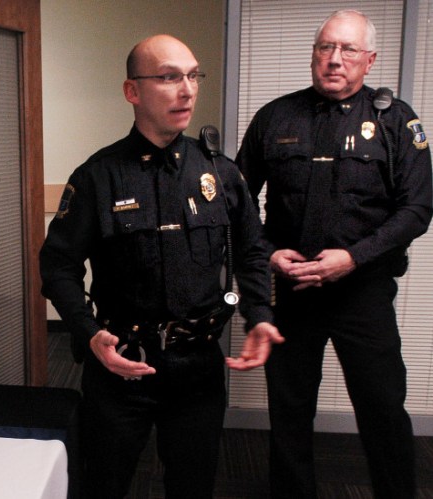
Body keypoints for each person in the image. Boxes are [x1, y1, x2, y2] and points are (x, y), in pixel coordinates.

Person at [40, 34, 283, 498]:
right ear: (133, 91)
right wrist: (88, 332)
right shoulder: (99, 176)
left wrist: (261, 315)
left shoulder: (221, 174)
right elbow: (57, 265)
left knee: (192, 486)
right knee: (103, 484)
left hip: (198, 368)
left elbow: (253, 250)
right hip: (121, 365)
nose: (187, 89)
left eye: (193, 75)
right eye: (169, 77)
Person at [236, 10, 432, 499]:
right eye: (325, 47)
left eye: (347, 50)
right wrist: (268, 253)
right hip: (293, 290)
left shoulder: (396, 121)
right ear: (313, 54)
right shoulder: (275, 116)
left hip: (362, 293)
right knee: (289, 408)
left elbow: (417, 208)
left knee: (382, 407)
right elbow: (237, 205)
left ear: (369, 60)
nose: (334, 60)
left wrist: (354, 258)